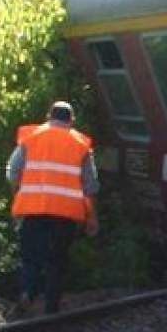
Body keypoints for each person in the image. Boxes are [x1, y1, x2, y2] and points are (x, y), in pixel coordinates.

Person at [6, 101, 99, 316]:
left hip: (33, 210)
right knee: (57, 260)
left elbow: (13, 172)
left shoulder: (31, 137)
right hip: (65, 213)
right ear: (72, 120)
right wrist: (92, 218)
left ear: (48, 116)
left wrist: (18, 197)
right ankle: (51, 309)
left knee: (30, 257)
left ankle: (28, 292)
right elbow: (89, 185)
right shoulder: (80, 144)